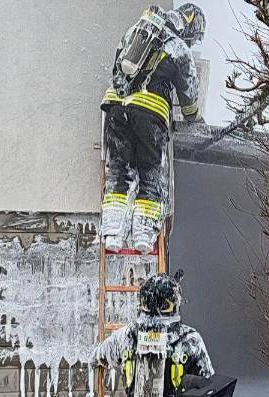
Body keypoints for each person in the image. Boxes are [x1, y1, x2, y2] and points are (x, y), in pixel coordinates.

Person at [101, 3, 206, 253]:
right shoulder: (178, 47)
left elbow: (117, 68)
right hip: (149, 113)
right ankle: (143, 234)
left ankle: (113, 233)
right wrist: (194, 118)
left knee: (118, 171)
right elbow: (189, 98)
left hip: (115, 109)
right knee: (150, 174)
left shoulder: (134, 32)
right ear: (190, 29)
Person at [92, 272, 214, 397]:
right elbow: (210, 388)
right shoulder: (190, 339)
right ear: (174, 302)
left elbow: (97, 357)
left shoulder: (126, 335)